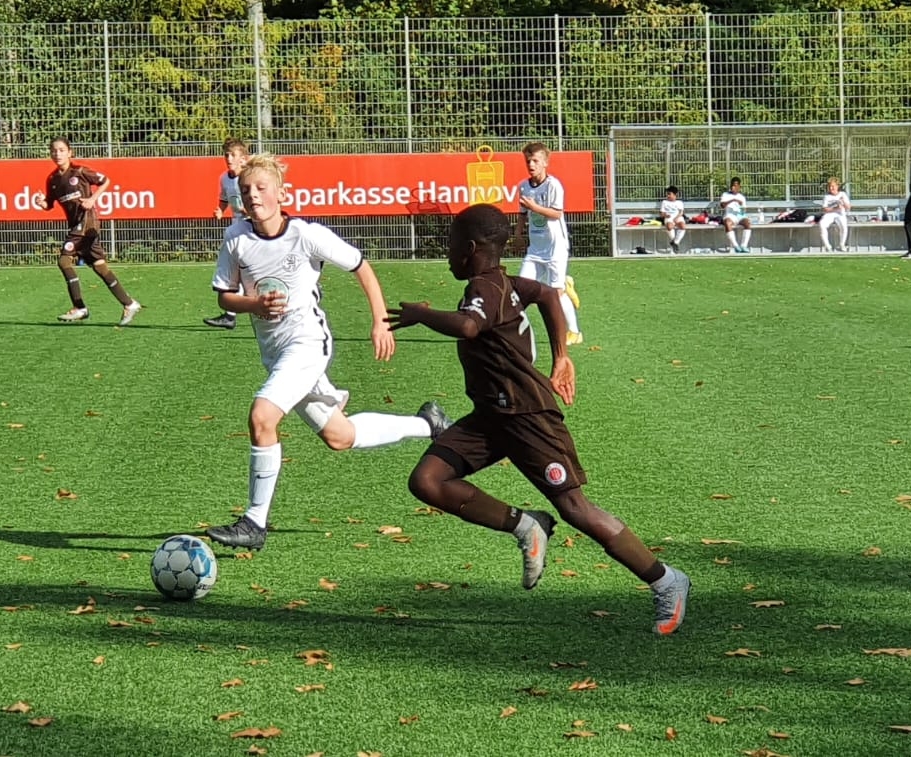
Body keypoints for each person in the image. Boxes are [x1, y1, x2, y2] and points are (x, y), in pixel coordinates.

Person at [386, 204, 691, 635]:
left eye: (452, 245)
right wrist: (561, 356)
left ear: (470, 248)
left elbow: (469, 327)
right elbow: (548, 294)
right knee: (428, 480)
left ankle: (666, 581)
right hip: (492, 415)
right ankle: (526, 524)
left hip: (528, 416)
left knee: (575, 508)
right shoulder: (503, 283)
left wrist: (422, 314)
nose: (448, 252)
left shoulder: (486, 287)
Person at [205, 154, 452, 552]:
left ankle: (254, 522)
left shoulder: (306, 235)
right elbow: (225, 296)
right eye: (246, 190)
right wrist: (254, 305)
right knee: (340, 436)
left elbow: (360, 266)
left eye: (262, 188)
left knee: (262, 416)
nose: (253, 195)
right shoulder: (236, 239)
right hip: (275, 353)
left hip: (307, 344)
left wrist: (380, 321)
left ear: (281, 194)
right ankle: (428, 424)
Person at [43, 138, 143, 325]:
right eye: (54, 150)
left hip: (87, 222)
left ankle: (79, 307)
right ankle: (129, 304)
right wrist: (41, 203)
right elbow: (48, 204)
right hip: (76, 225)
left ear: (69, 152)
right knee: (99, 266)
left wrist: (92, 199)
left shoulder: (79, 171)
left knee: (64, 260)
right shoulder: (52, 179)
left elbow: (105, 181)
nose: (57, 154)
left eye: (62, 150)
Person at [515, 142, 583, 346]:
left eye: (535, 161)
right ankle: (511, 332)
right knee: (521, 289)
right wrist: (518, 234)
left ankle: (574, 332)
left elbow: (556, 213)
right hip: (535, 249)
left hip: (555, 248)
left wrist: (535, 206)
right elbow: (522, 214)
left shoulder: (553, 185)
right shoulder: (523, 186)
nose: (531, 165)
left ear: (545, 163)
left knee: (556, 294)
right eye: (528, 161)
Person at [203, 137, 249, 330]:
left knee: (246, 267)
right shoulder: (224, 178)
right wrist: (221, 210)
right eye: (226, 155)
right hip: (237, 226)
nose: (228, 158)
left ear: (243, 158)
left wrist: (252, 210)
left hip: (253, 226)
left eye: (233, 155)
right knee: (237, 267)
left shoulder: (250, 177)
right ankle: (230, 315)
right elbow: (223, 199)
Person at [719, 177, 752, 253]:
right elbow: (722, 205)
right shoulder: (725, 194)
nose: (733, 187)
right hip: (729, 215)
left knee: (747, 223)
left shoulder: (741, 197)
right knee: (727, 223)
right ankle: (736, 246)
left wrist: (741, 207)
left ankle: (744, 246)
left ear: (739, 187)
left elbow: (743, 211)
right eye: (732, 185)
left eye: (735, 186)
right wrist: (733, 200)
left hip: (739, 215)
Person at [819, 177, 850, 253]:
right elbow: (824, 209)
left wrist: (843, 202)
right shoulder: (826, 196)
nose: (831, 188)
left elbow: (848, 207)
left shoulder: (843, 194)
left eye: (833, 186)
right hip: (829, 214)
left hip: (840, 214)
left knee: (844, 226)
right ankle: (828, 247)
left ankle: (842, 245)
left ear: (837, 186)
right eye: (830, 186)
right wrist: (835, 208)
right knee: (822, 224)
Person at [659, 185, 686, 254]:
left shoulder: (679, 202)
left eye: (669, 194)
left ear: (675, 194)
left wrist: (676, 218)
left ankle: (675, 242)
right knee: (669, 226)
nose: (668, 196)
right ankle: (675, 243)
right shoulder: (664, 202)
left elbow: (681, 212)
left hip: (678, 216)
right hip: (669, 217)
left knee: (683, 226)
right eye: (667, 194)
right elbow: (661, 213)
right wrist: (665, 215)